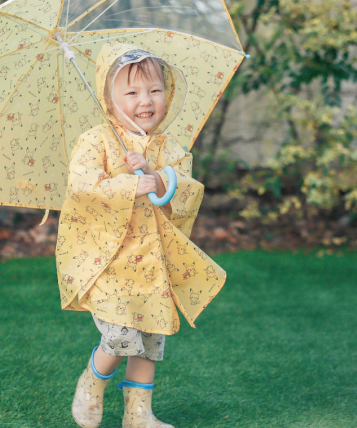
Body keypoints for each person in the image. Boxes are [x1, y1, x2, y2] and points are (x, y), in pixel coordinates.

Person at [55, 43, 227, 428]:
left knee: (150, 337)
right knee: (120, 334)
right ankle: (92, 380)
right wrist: (125, 185)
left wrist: (155, 175)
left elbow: (187, 189)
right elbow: (82, 188)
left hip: (153, 265)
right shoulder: (95, 141)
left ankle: (138, 414)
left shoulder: (169, 148)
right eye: (131, 93)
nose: (144, 101)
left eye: (154, 90)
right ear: (109, 99)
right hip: (110, 261)